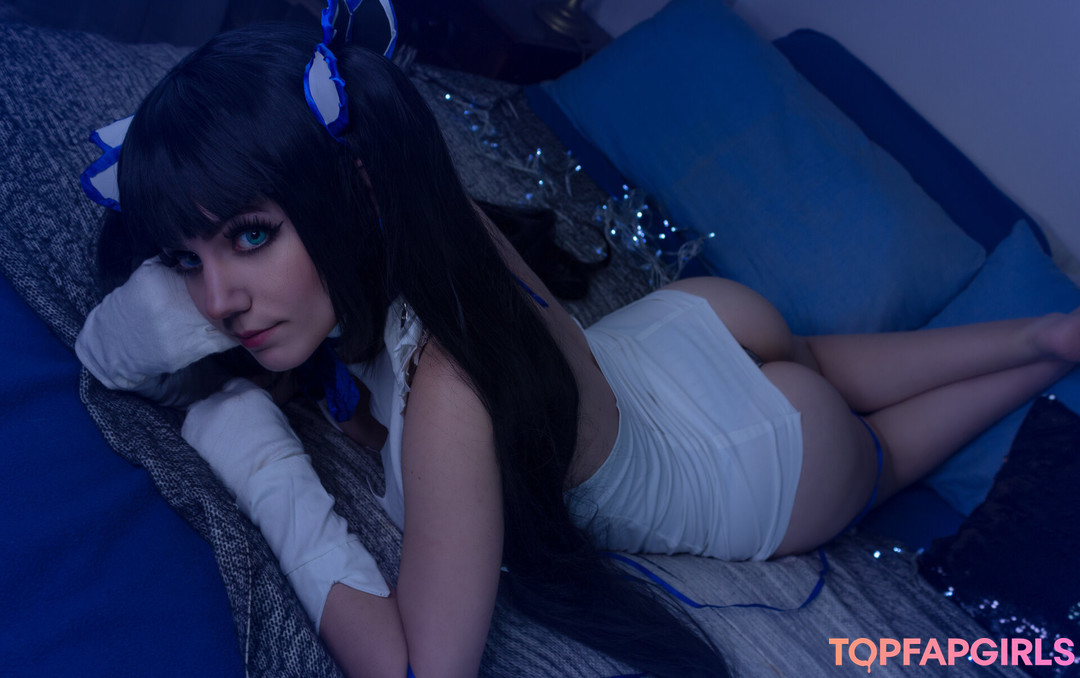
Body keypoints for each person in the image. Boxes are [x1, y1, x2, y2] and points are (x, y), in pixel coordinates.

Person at [74, 18, 1080, 678]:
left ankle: (1046, 355)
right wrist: (200, 277)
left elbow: (418, 667)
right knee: (809, 357)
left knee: (886, 454)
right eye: (187, 259)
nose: (219, 301)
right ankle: (1044, 328)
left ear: (354, 192)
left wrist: (261, 466)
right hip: (691, 327)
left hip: (762, 456)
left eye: (250, 237)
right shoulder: (431, 217)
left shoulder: (451, 400)